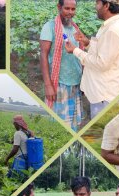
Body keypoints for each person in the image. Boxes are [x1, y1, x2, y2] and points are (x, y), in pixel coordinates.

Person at [64, 0, 119, 119]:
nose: (95, 7)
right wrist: (87, 42)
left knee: (101, 129)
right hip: (101, 92)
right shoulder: (110, 25)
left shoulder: (114, 30)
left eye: (97, 3)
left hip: (103, 95)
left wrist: (75, 51)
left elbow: (101, 63)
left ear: (106, 6)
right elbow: (104, 52)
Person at [40, 0, 83, 131]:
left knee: (73, 125)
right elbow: (43, 55)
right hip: (59, 83)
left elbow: (81, 53)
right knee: (58, 126)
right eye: (67, 8)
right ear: (59, 7)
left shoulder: (75, 28)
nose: (70, 12)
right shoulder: (50, 27)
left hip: (76, 83)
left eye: (73, 9)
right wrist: (48, 85)